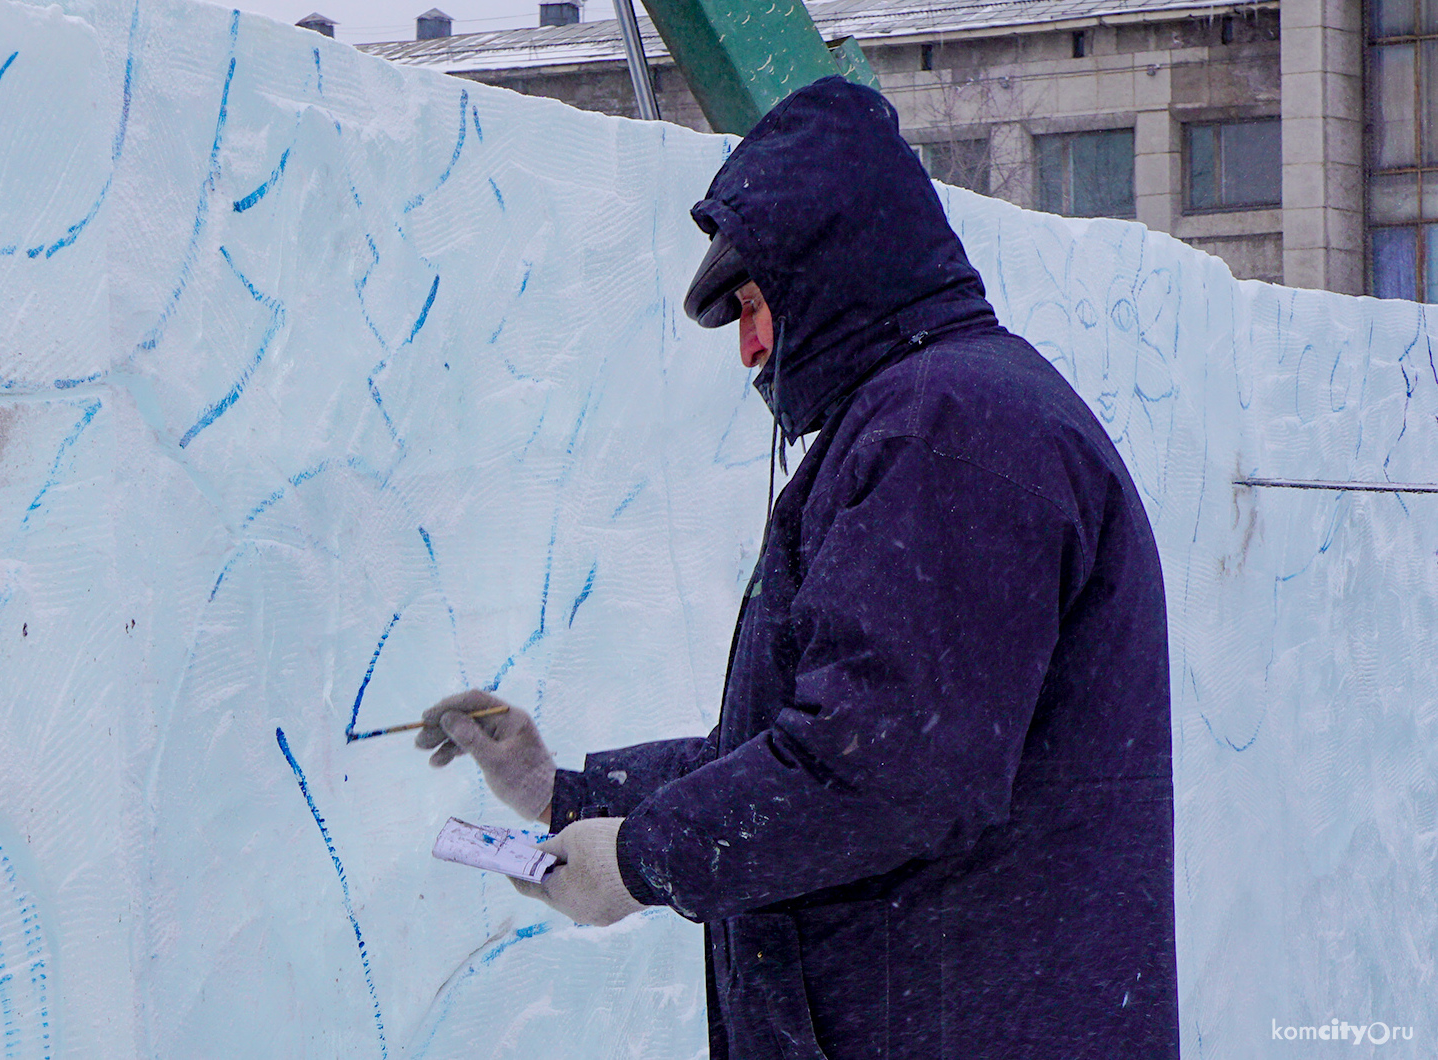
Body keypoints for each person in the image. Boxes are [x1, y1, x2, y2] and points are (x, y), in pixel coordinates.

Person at [416, 77, 1178, 1060]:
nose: (749, 348)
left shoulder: (948, 431)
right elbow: (810, 737)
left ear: (834, 263)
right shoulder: (931, 418)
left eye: (752, 302)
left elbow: (883, 766)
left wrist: (642, 860)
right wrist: (564, 793)